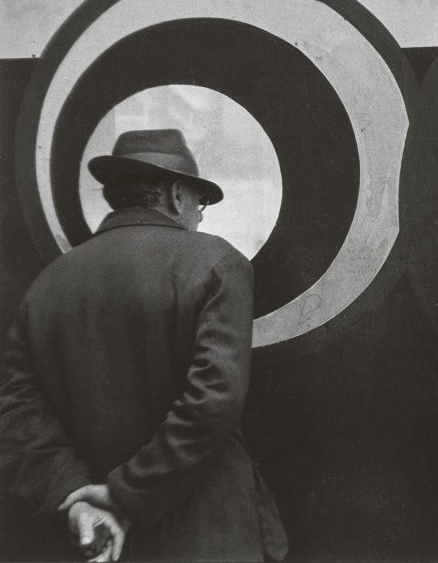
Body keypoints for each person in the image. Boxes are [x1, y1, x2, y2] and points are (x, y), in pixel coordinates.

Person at [0, 129, 287, 561]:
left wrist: (76, 494)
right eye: (199, 202)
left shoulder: (46, 285)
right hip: (210, 539)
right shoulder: (216, 264)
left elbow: (17, 411)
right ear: (175, 195)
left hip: (98, 542)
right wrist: (126, 493)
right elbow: (214, 400)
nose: (201, 217)